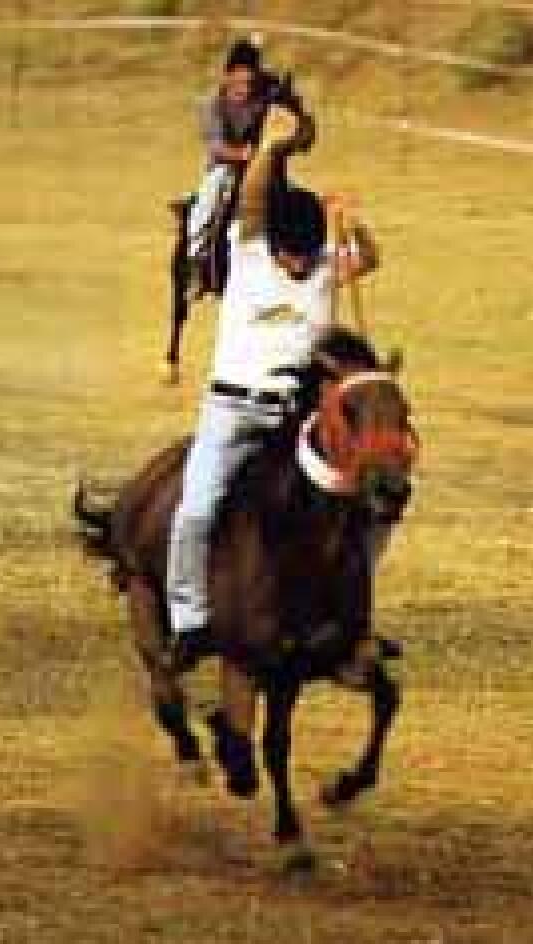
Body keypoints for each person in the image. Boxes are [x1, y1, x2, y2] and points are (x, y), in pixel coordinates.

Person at [165, 104, 369, 673]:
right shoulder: (249, 253)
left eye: (308, 255)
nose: (301, 265)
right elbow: (254, 200)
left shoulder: (324, 264)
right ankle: (188, 619)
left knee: (358, 505)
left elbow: (369, 258)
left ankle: (344, 619)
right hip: (230, 412)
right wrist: (274, 148)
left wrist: (351, 222)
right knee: (196, 510)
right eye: (292, 255)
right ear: (272, 244)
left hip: (296, 415)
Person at [184, 38, 275, 265]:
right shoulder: (211, 105)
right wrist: (243, 154)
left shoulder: (265, 95)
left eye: (249, 83)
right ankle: (194, 250)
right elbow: (216, 147)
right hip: (225, 168)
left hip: (259, 166)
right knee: (208, 196)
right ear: (227, 76)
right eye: (239, 83)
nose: (244, 89)